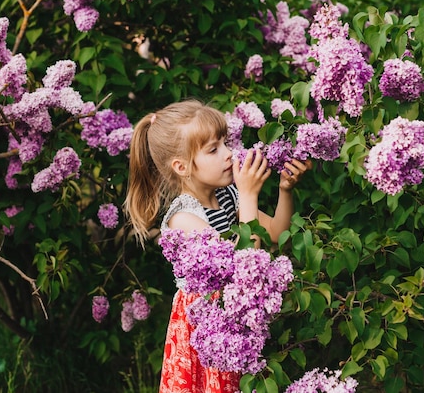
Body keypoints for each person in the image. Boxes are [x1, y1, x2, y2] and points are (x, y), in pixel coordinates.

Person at [124, 98, 311, 393]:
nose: (228, 154)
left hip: (235, 318)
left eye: (225, 142)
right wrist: (249, 196)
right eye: (213, 149)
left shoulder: (227, 196)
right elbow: (246, 270)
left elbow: (276, 233)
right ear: (182, 167)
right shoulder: (183, 220)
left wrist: (284, 189)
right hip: (208, 333)